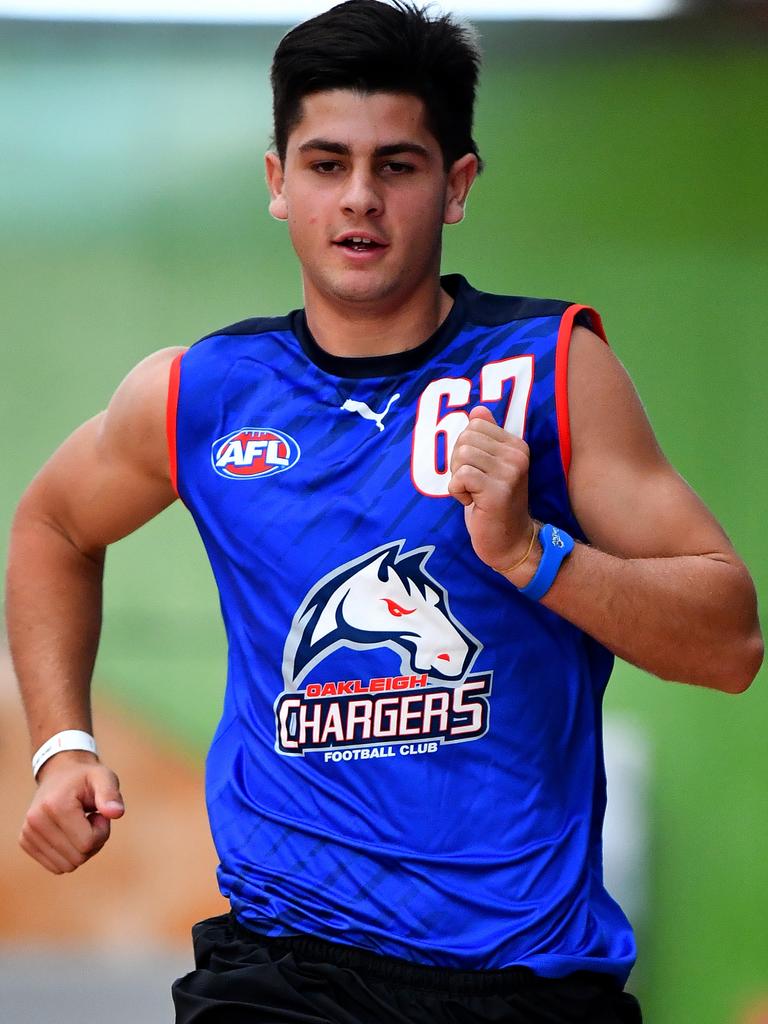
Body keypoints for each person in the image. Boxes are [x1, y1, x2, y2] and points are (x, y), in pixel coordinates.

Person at [7, 2, 762, 1022]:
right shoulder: (200, 394)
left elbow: (730, 641)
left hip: (518, 985)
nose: (359, 199)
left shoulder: (552, 373)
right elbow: (53, 527)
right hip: (282, 969)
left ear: (455, 185)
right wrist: (62, 745)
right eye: (326, 164)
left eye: (397, 166)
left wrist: (536, 554)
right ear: (278, 182)